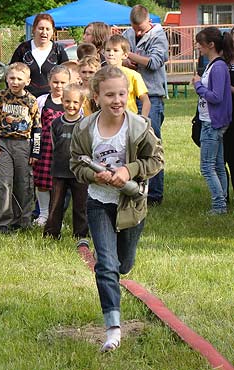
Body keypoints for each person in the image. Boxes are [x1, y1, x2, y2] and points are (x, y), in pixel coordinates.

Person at [70, 66, 163, 352]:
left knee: (123, 264)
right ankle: (113, 328)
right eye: (109, 94)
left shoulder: (138, 126)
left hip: (132, 205)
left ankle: (115, 261)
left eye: (122, 94)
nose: (117, 100)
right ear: (96, 96)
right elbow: (75, 164)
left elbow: (156, 159)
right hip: (99, 203)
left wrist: (129, 169)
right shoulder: (85, 128)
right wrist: (91, 176)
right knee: (107, 266)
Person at [0, 63, 41, 234]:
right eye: (12, 78)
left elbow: (37, 128)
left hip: (24, 145)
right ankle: (1, 222)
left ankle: (23, 220)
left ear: (28, 81)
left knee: (23, 183)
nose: (15, 82)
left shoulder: (31, 101)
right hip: (3, 145)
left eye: (19, 79)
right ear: (6, 79)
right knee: (5, 182)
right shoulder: (0, 97)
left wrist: (35, 151)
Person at [123, 5, 168, 206]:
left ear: (149, 21)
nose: (138, 33)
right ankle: (134, 188)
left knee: (151, 144)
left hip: (152, 96)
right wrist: (126, 61)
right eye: (135, 29)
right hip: (131, 96)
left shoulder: (159, 36)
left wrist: (130, 56)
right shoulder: (127, 33)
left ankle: (155, 195)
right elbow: (119, 56)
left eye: (141, 29)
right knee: (131, 146)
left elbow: (154, 63)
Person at [192, 27, 232, 214]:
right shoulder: (214, 64)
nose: (198, 47)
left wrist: (198, 85)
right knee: (218, 165)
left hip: (212, 123)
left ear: (211, 45)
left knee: (207, 167)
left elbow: (216, 96)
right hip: (211, 121)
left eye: (200, 44)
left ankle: (218, 205)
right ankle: (222, 200)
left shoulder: (218, 67)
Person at [43, 83, 88, 242]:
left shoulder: (85, 125)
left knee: (81, 205)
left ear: (82, 103)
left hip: (80, 173)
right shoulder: (56, 124)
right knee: (55, 205)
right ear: (62, 101)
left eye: (76, 102)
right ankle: (51, 234)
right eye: (68, 101)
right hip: (59, 171)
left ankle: (81, 235)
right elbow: (55, 145)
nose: (71, 105)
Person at [33, 65, 71, 226]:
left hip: (64, 150)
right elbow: (35, 125)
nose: (59, 86)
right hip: (44, 147)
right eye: (55, 82)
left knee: (59, 184)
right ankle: (43, 214)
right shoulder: (42, 101)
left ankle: (56, 217)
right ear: (49, 81)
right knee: (42, 182)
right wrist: (34, 150)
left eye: (63, 82)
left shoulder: (72, 101)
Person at [10, 13, 68, 97]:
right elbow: (11, 73)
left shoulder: (58, 51)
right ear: (34, 29)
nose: (44, 32)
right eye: (41, 28)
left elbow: (66, 76)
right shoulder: (23, 49)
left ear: (52, 31)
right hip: (26, 101)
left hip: (51, 102)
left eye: (48, 29)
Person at [103, 34, 150, 116]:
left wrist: (143, 119)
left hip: (129, 119)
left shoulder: (133, 75)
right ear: (103, 53)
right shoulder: (100, 75)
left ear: (125, 55)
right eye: (108, 50)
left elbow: (146, 100)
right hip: (107, 119)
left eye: (115, 50)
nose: (111, 53)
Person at [223, 28, 234, 198]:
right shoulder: (224, 61)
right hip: (225, 116)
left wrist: (226, 88)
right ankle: (222, 196)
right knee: (223, 157)